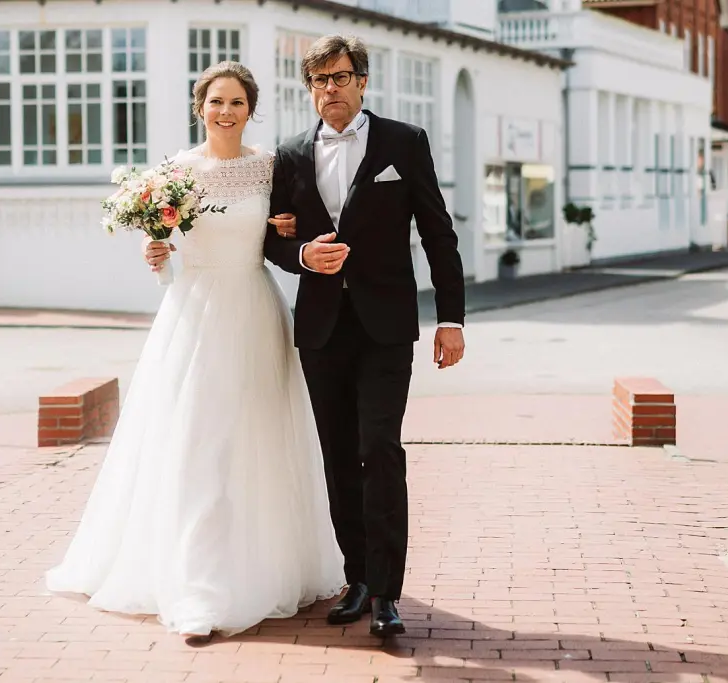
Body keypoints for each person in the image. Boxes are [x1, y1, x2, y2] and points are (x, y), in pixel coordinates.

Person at [46, 61, 345, 645]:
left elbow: (289, 233)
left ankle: (259, 568)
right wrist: (155, 254)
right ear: (199, 107)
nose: (225, 112)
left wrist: (286, 229)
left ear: (251, 109)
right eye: (216, 102)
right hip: (195, 314)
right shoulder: (176, 172)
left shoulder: (270, 169)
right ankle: (198, 587)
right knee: (199, 443)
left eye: (237, 102)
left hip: (254, 311)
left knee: (256, 441)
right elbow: (161, 241)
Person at [264, 34, 466, 637]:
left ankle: (386, 592)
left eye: (343, 77)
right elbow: (271, 239)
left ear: (362, 82)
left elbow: (438, 233)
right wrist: (302, 254)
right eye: (321, 80)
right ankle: (355, 577)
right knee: (337, 456)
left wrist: (451, 318)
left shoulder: (405, 142)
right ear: (310, 88)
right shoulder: (291, 154)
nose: (332, 89)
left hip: (385, 326)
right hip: (321, 331)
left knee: (379, 449)